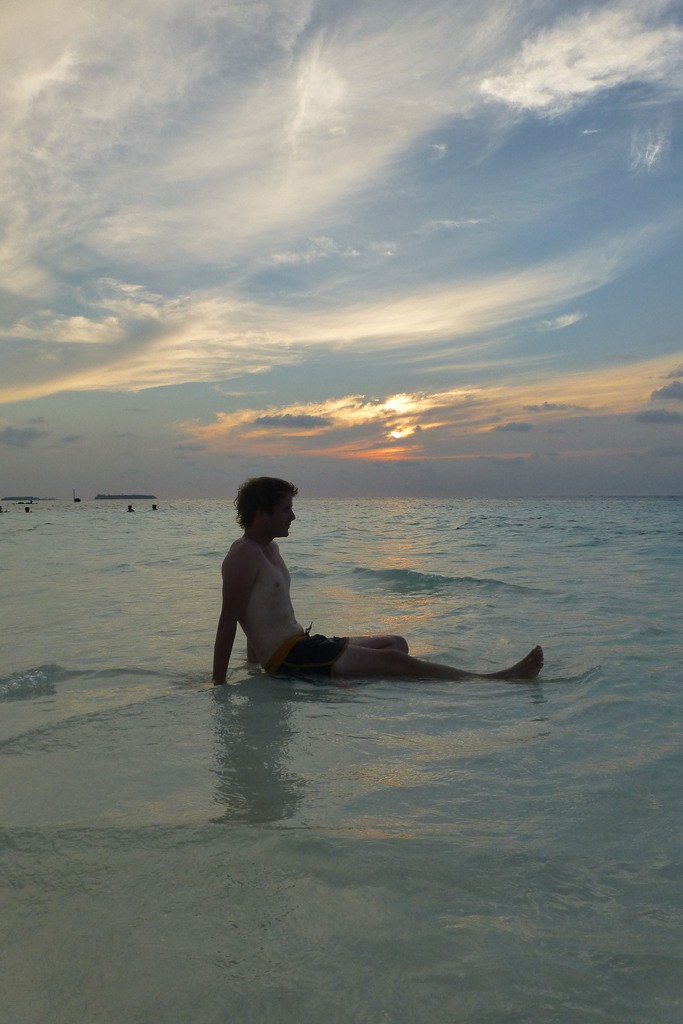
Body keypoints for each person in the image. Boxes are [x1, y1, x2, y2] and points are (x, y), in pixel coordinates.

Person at [212, 477, 544, 686]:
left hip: (302, 646)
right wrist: (219, 683)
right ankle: (493, 681)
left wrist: (254, 667)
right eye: (286, 509)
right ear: (262, 513)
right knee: (395, 661)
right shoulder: (243, 556)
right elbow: (230, 621)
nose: (293, 516)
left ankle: (337, 682)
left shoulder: (271, 549)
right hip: (289, 658)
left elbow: (260, 614)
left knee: (396, 643)